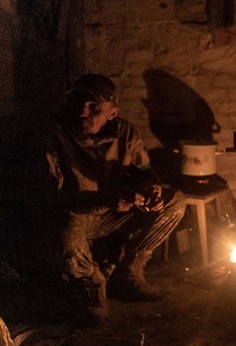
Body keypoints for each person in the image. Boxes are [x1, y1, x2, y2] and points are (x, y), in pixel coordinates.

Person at [41, 73, 186, 325]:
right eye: (78, 102)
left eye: (94, 107)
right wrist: (104, 199)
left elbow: (145, 172)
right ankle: (89, 280)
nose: (82, 111)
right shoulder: (53, 137)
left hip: (113, 211)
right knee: (94, 317)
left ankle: (129, 272)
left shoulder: (126, 133)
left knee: (176, 200)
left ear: (112, 113)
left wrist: (152, 189)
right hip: (76, 217)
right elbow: (47, 200)